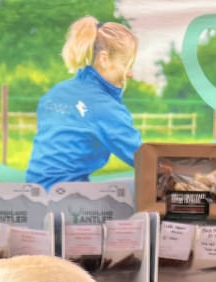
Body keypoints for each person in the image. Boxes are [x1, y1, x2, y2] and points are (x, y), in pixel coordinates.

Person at [25, 16, 142, 190]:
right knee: (146, 188)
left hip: (33, 193)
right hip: (68, 198)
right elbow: (143, 159)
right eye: (127, 64)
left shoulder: (53, 94)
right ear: (104, 59)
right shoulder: (104, 106)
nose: (130, 74)